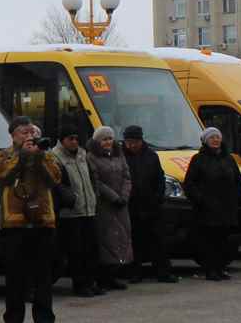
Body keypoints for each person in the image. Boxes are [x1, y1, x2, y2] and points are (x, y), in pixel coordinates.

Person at [0, 116, 63, 323]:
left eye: (32, 132)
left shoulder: (46, 153)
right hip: (14, 222)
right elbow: (2, 175)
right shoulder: (4, 155)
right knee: (15, 275)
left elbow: (55, 179)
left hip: (42, 220)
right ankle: (13, 320)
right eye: (24, 132)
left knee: (43, 275)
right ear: (13, 135)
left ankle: (44, 321)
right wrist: (21, 157)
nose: (29, 136)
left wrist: (39, 157)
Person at [183, 125, 241, 280]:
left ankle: (221, 268)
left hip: (227, 207)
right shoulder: (198, 159)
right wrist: (200, 199)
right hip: (207, 209)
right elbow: (189, 183)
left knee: (224, 239)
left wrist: (236, 196)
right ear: (205, 141)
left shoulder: (228, 158)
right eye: (212, 137)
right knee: (209, 240)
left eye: (217, 137)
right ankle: (210, 269)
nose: (215, 140)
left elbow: (238, 180)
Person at [50, 127, 101, 296]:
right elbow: (56, 184)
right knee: (76, 251)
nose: (74, 142)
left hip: (88, 209)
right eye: (70, 139)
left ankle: (91, 281)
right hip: (70, 213)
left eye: (76, 139)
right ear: (62, 140)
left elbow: (92, 177)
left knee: (90, 249)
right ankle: (80, 284)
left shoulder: (82, 154)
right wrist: (70, 199)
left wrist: (94, 195)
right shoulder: (55, 156)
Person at [121, 125, 173, 282]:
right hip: (132, 205)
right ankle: (135, 272)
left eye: (135, 141)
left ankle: (163, 272)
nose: (132, 145)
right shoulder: (121, 156)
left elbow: (160, 178)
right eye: (129, 142)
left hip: (152, 205)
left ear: (141, 140)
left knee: (158, 240)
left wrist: (158, 197)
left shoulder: (151, 155)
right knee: (135, 240)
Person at [87, 127, 132, 290]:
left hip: (121, 204)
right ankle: (103, 277)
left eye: (110, 139)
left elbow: (127, 176)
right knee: (106, 239)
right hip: (104, 204)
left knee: (121, 238)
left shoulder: (119, 155)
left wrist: (124, 196)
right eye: (104, 139)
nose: (108, 142)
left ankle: (114, 274)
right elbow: (96, 181)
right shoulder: (91, 157)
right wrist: (114, 197)